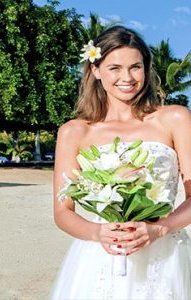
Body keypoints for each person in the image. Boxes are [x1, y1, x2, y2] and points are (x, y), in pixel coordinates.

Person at [49, 25, 191, 300]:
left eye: (135, 67)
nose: (127, 77)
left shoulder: (174, 119)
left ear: (146, 69)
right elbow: (62, 211)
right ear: (95, 71)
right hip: (98, 259)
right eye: (114, 68)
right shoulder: (75, 131)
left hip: (164, 256)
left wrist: (160, 228)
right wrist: (98, 232)